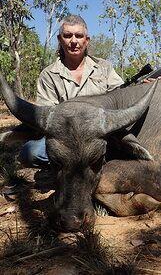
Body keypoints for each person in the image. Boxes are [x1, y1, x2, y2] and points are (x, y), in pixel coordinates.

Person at [18, 15, 125, 168]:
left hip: (100, 135)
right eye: (68, 36)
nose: (73, 41)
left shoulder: (104, 67)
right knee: (31, 153)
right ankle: (86, 164)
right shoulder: (48, 75)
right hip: (65, 139)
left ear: (86, 40)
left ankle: (76, 165)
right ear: (60, 39)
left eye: (79, 36)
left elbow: (121, 96)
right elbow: (46, 118)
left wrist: (145, 86)